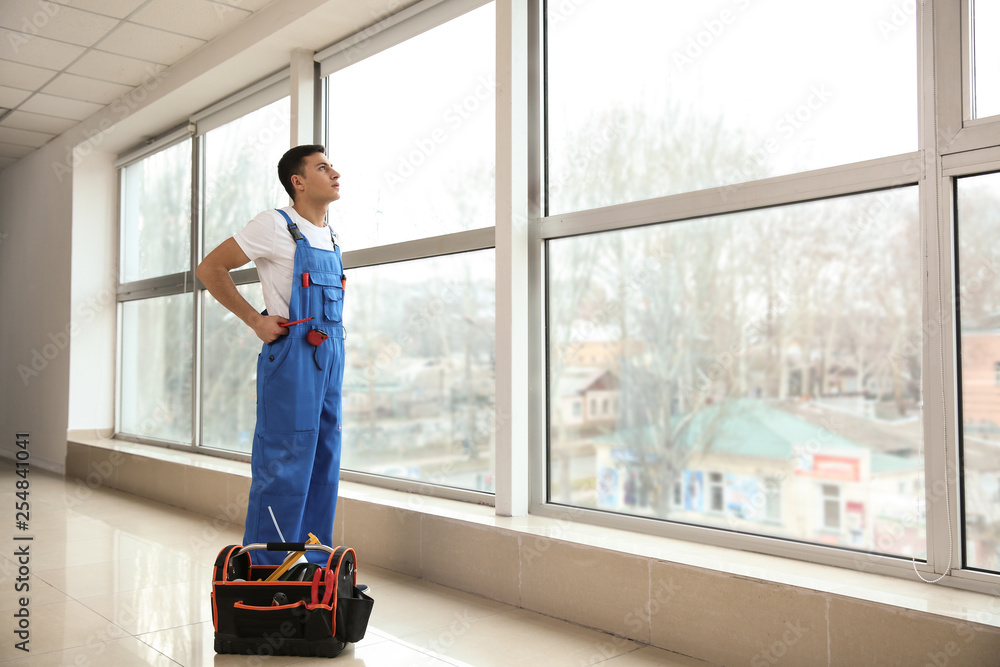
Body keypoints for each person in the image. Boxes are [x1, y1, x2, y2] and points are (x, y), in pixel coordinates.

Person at [196, 144, 345, 564]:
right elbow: (210, 268)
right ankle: (267, 572)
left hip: (330, 355)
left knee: (323, 460)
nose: (335, 174)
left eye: (332, 166)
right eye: (323, 168)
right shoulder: (275, 224)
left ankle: (312, 566)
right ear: (298, 182)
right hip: (293, 356)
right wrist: (254, 320)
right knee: (285, 460)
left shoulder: (330, 235)